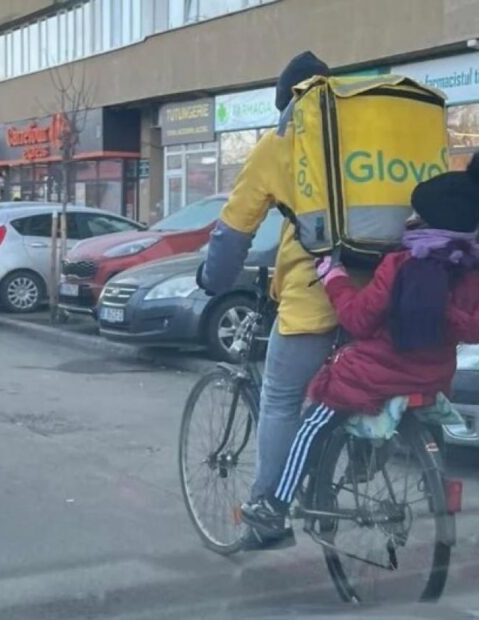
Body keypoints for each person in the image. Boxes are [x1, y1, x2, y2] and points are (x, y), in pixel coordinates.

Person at [241, 149, 479, 549]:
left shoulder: (402, 265)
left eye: (416, 214)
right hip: (433, 377)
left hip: (374, 374)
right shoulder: (477, 269)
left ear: (427, 220)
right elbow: (478, 326)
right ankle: (375, 465)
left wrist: (333, 277)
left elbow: (357, 320)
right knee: (369, 405)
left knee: (313, 421)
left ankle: (273, 506)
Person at [198, 52, 340, 525]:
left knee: (281, 398)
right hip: (381, 292)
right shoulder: (363, 137)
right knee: (346, 392)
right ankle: (340, 474)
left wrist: (213, 280)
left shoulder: (281, 144)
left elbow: (232, 231)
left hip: (316, 296)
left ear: (288, 104)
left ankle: (266, 512)